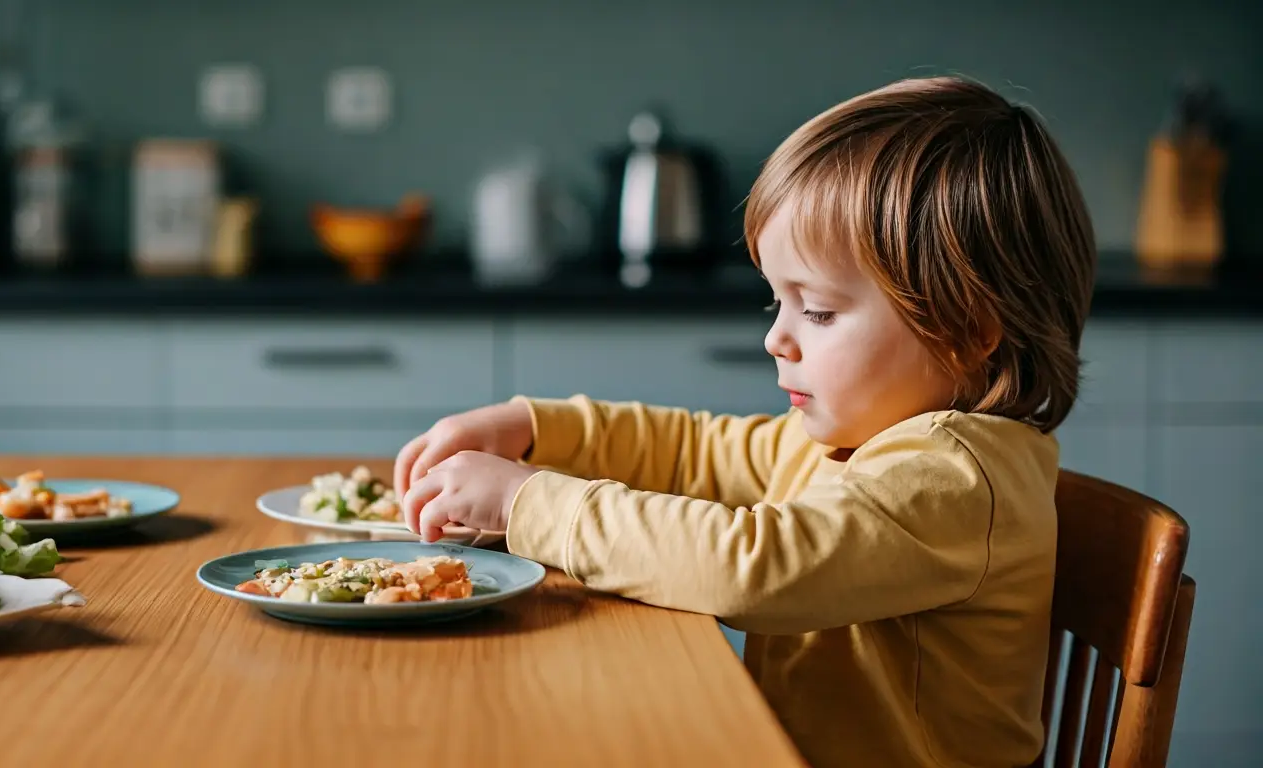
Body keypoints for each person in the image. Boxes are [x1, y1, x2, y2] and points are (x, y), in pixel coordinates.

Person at [393, 75, 1096, 768]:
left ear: (967, 330)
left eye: (817, 310)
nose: (776, 339)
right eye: (775, 303)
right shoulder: (858, 442)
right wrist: (536, 426)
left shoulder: (953, 476)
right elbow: (694, 451)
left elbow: (755, 569)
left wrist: (529, 501)